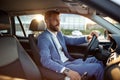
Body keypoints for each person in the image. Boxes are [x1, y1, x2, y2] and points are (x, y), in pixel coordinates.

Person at [37, 10, 104, 80]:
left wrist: (87, 38)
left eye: (59, 20)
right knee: (97, 68)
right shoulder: (43, 38)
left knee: (98, 59)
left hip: (70, 61)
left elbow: (71, 40)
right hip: (63, 65)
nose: (59, 22)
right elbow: (45, 61)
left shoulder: (58, 34)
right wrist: (66, 70)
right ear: (47, 21)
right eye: (55, 20)